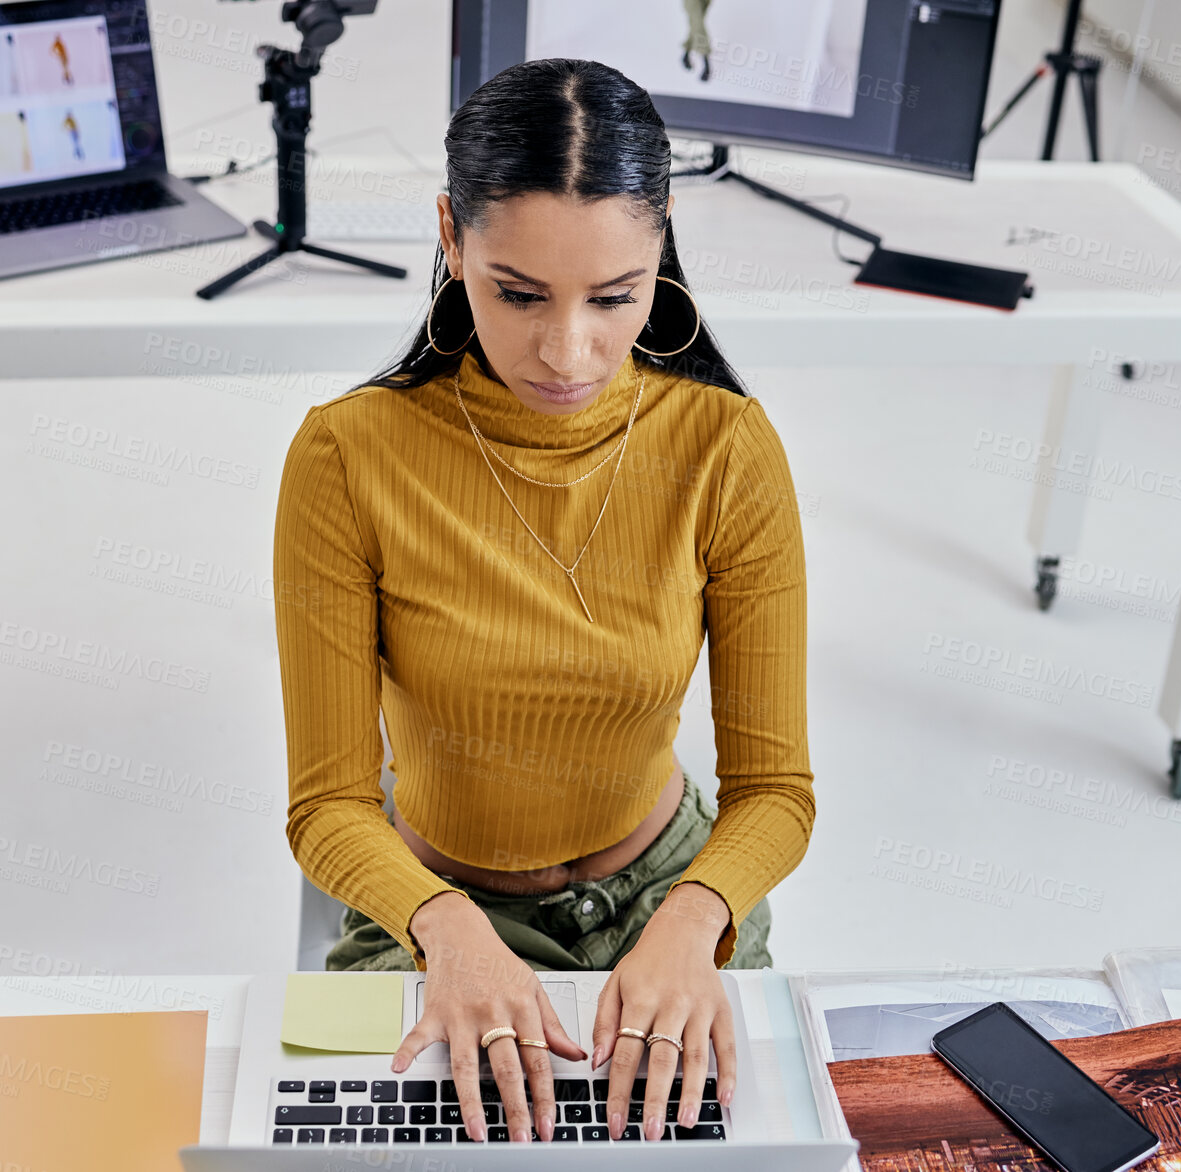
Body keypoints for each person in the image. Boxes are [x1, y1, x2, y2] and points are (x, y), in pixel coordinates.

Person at [273, 57, 814, 1145]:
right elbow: (326, 806)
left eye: (616, 297)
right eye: (517, 293)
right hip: (434, 904)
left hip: (669, 887)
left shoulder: (724, 447)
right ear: (449, 233)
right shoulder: (346, 455)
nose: (567, 351)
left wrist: (692, 917)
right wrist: (448, 931)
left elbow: (776, 792)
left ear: (660, 246)